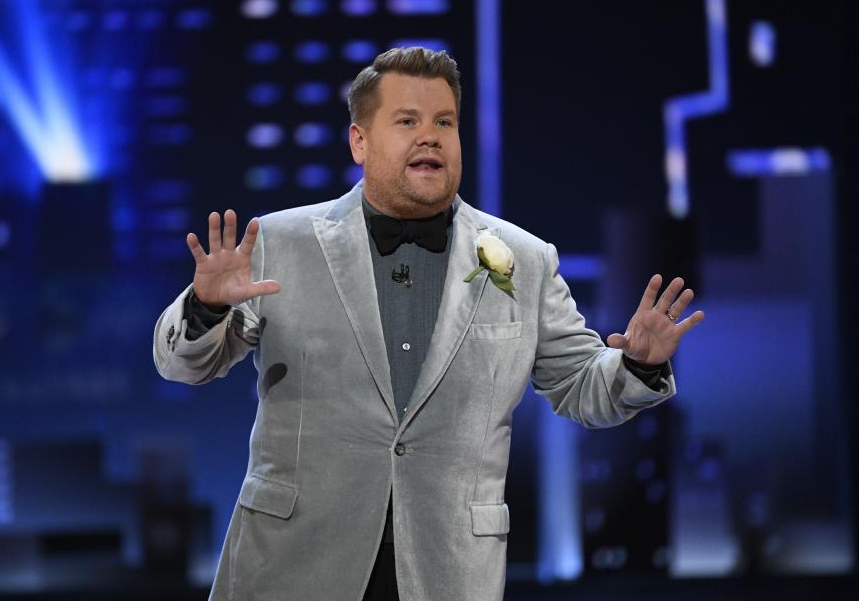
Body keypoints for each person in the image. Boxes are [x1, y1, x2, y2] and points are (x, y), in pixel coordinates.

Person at [153, 47, 703, 601]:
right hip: (293, 567)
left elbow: (582, 386)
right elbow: (182, 365)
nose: (431, 136)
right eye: (408, 121)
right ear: (359, 142)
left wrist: (637, 364)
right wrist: (207, 307)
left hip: (448, 572)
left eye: (444, 122)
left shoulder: (524, 259)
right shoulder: (280, 242)